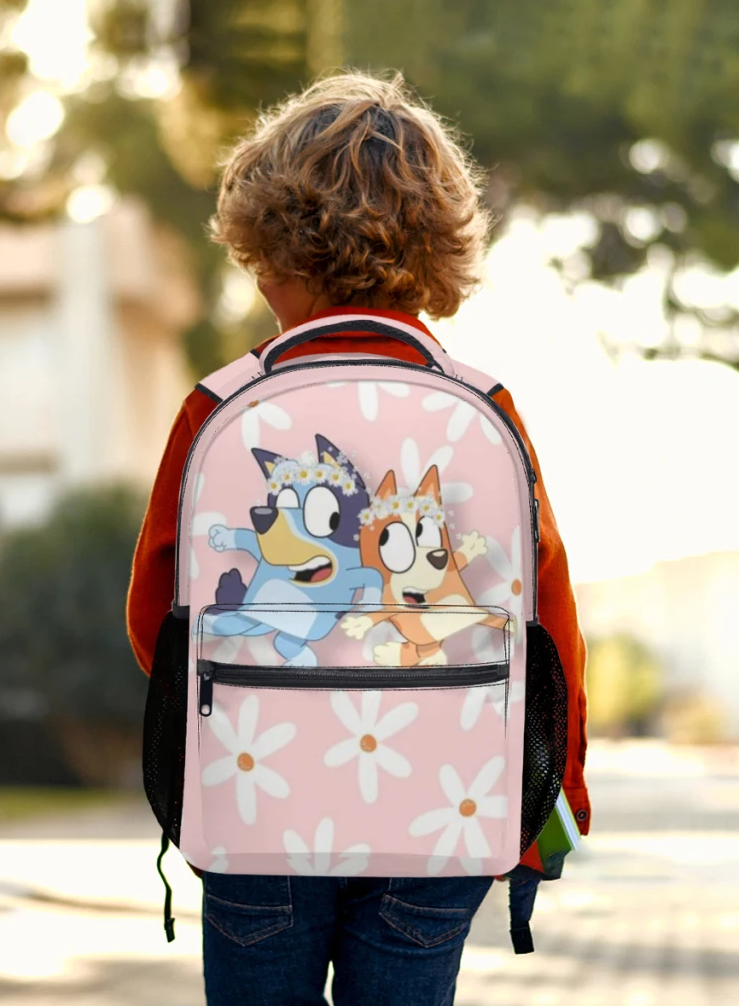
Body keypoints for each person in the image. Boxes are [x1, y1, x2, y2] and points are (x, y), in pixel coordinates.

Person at [128, 70, 589, 1006]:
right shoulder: (485, 408)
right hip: (441, 811)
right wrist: (557, 795)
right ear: (439, 250)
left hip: (260, 808)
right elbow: (548, 619)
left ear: (271, 251)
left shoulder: (220, 406)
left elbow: (155, 618)